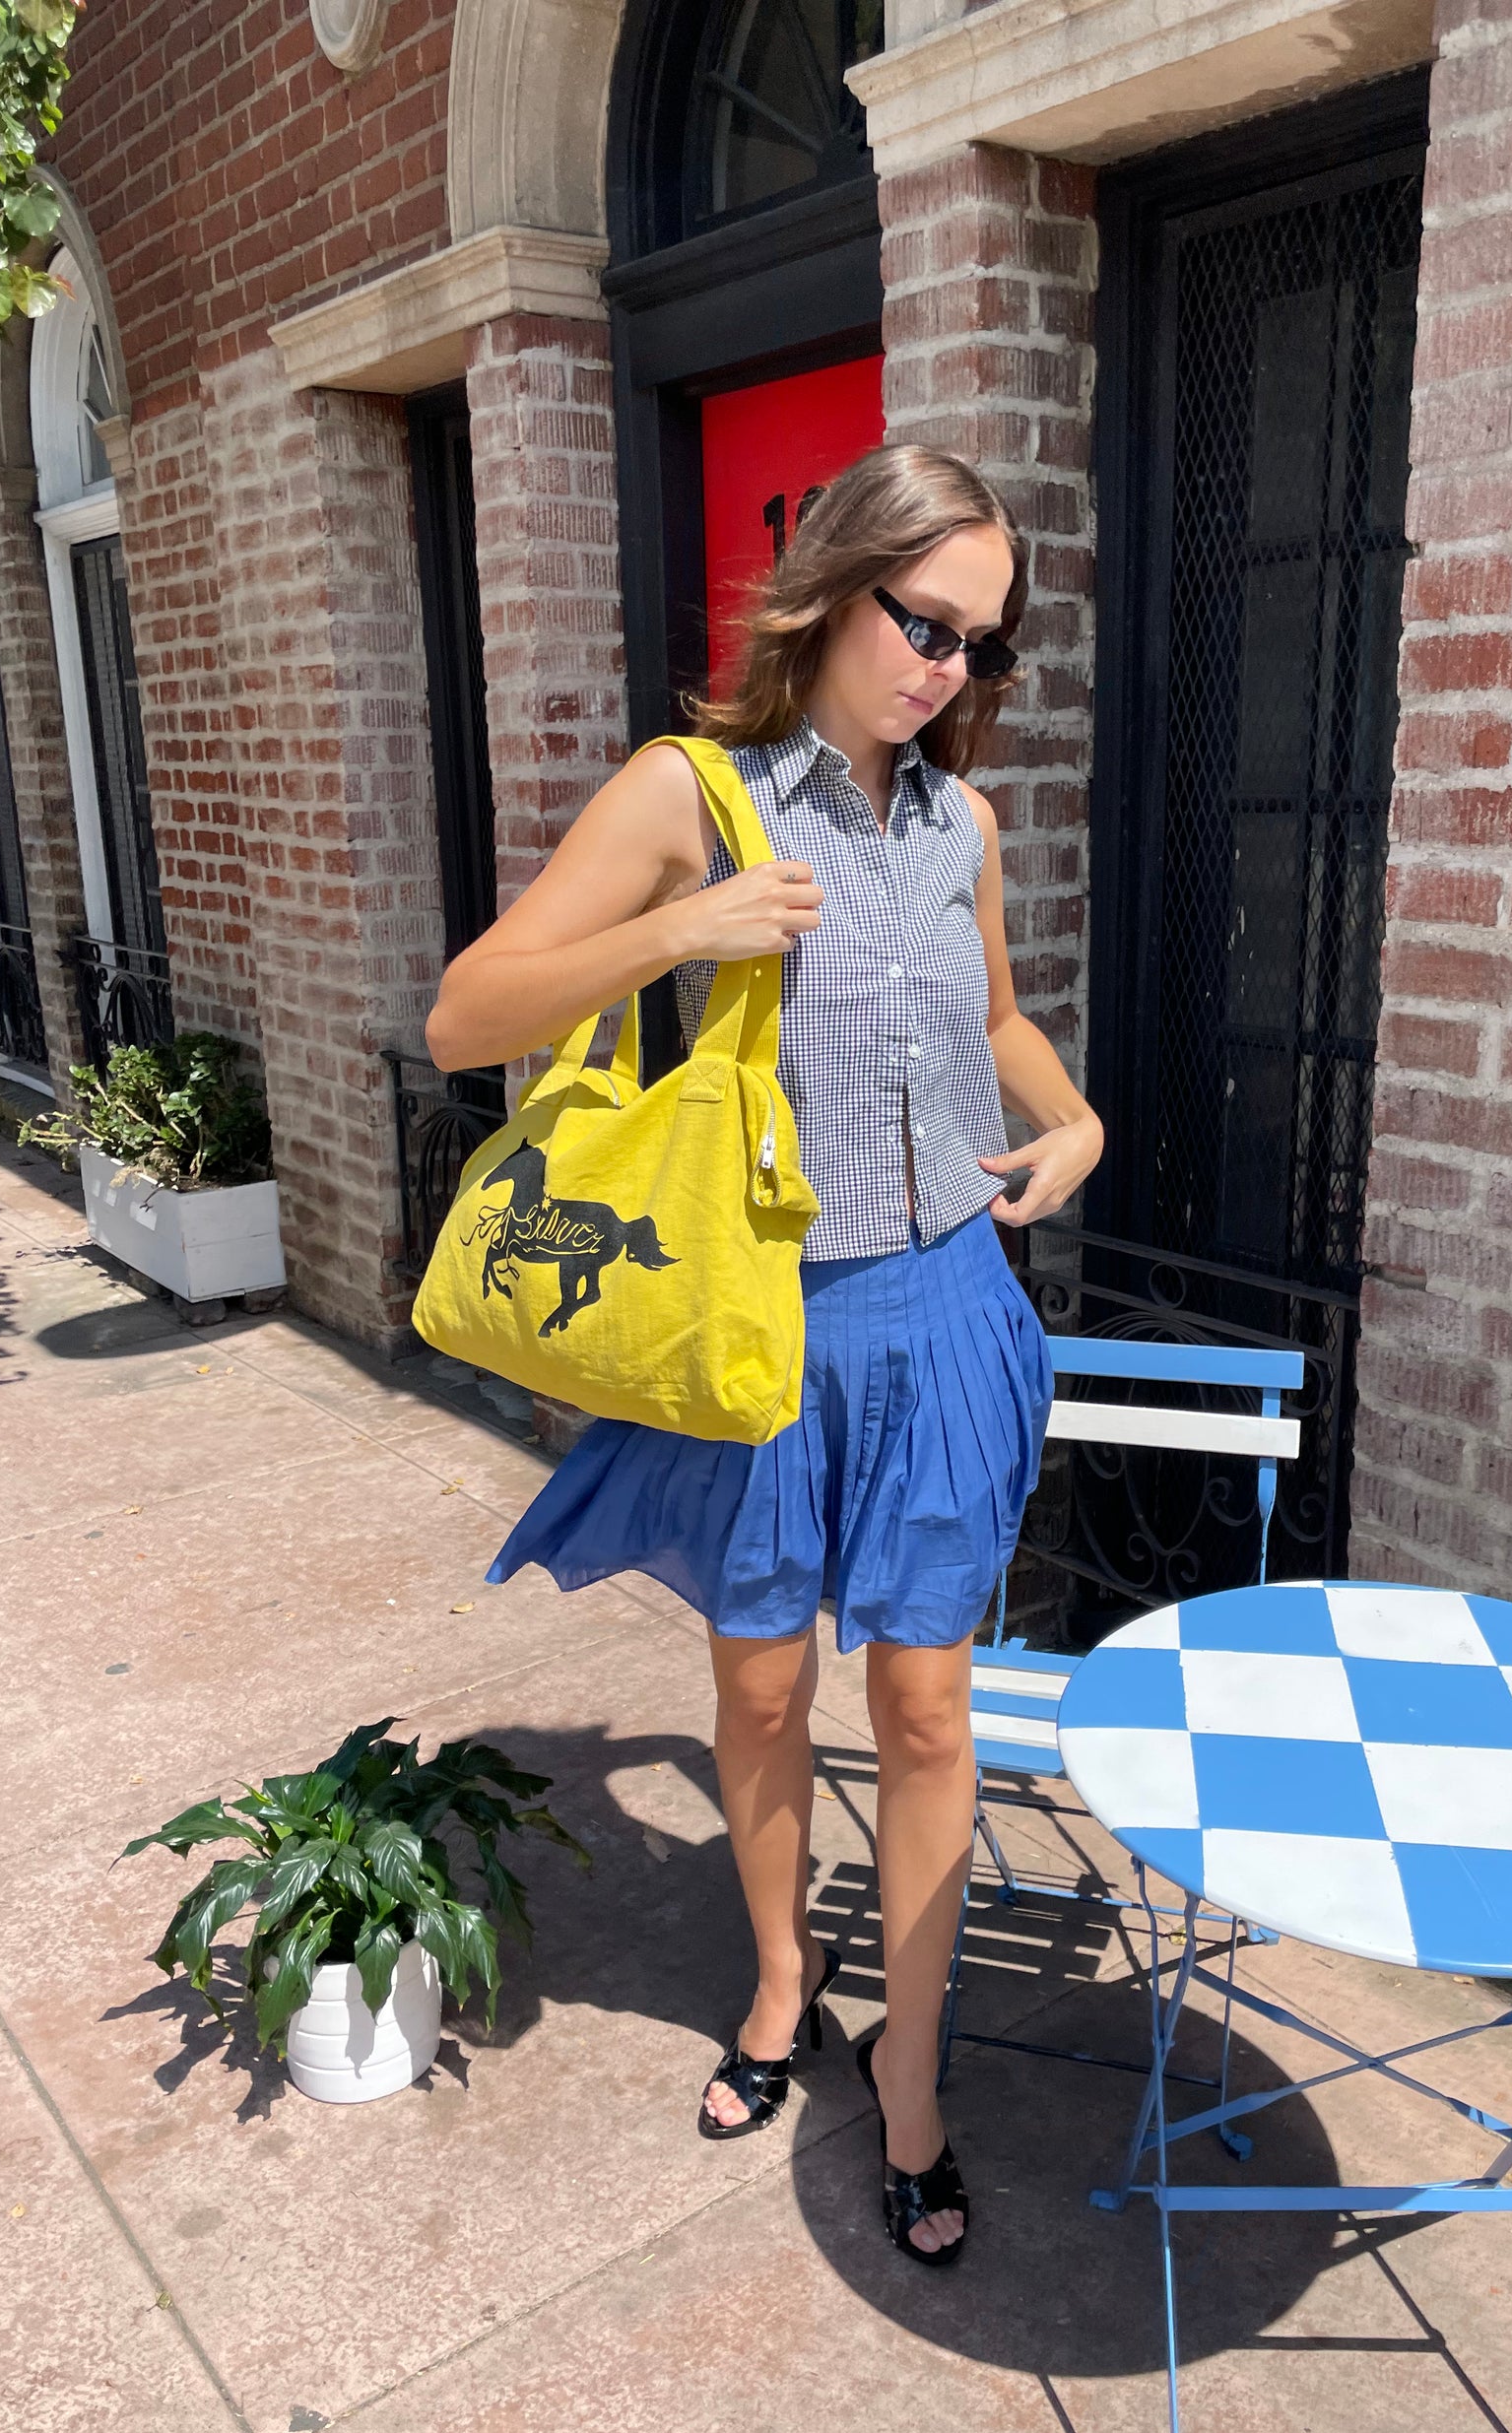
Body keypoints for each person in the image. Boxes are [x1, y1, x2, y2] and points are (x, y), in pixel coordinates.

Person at [426, 443, 1103, 2266]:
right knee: (754, 1691)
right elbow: (464, 1014)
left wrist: (1077, 1119)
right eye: (926, 622)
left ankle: (910, 2070)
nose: (949, 668)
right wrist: (677, 927)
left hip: (948, 1308)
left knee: (928, 1706)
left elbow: (997, 1017)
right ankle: (782, 1985)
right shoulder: (693, 793)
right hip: (757, 1330)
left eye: (984, 644)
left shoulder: (953, 827)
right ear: (835, 587)